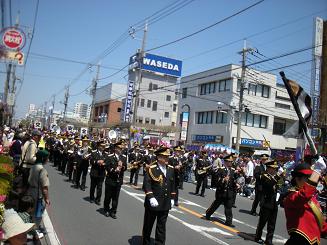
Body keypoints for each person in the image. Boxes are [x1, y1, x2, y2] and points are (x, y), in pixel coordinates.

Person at [283, 156, 327, 245]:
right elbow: (304, 195)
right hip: (298, 241)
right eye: (308, 178)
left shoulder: (313, 199)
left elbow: (322, 226)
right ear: (297, 179)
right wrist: (317, 170)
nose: (313, 181)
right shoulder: (291, 196)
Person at [142, 147, 176, 245]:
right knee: (148, 225)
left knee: (161, 227)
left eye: (167, 157)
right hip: (153, 203)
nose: (166, 159)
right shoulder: (151, 169)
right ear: (158, 157)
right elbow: (147, 184)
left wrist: (173, 198)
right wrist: (151, 197)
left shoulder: (170, 169)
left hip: (165, 203)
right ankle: (146, 242)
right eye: (164, 157)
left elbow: (172, 185)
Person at [254, 159, 283, 245]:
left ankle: (269, 240)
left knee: (272, 223)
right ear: (269, 168)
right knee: (262, 222)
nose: (275, 170)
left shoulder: (276, 177)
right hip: (266, 202)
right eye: (273, 168)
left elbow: (280, 184)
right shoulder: (264, 176)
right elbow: (270, 184)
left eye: (275, 168)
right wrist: (278, 176)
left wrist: (280, 178)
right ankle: (257, 237)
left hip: (274, 202)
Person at [205, 154, 238, 227]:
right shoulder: (221, 170)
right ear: (225, 162)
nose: (230, 163)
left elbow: (233, 181)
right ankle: (208, 213)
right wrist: (223, 180)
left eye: (231, 162)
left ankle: (229, 222)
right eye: (229, 162)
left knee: (228, 207)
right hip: (221, 191)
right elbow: (216, 181)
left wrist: (236, 185)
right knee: (216, 204)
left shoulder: (232, 170)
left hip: (229, 192)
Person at [27, 149, 50, 231]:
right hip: (38, 193)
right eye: (47, 158)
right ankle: (35, 231)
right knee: (38, 213)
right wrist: (47, 199)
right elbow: (45, 188)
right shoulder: (42, 170)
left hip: (30, 191)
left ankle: (31, 228)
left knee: (30, 211)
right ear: (43, 159)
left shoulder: (33, 166)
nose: (48, 160)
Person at [103, 141, 127, 219]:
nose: (120, 150)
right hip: (110, 179)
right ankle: (106, 209)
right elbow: (107, 167)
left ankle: (113, 211)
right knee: (108, 196)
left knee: (115, 198)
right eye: (119, 148)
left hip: (118, 180)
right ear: (116, 148)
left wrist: (122, 166)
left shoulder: (123, 157)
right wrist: (114, 170)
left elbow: (125, 168)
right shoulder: (109, 156)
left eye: (121, 148)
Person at [89, 141, 106, 205]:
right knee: (93, 186)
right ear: (99, 146)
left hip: (101, 173)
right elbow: (91, 161)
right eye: (102, 146)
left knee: (100, 187)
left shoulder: (106, 154)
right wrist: (97, 162)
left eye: (104, 146)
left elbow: (107, 162)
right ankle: (91, 198)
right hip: (94, 172)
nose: (103, 147)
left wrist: (104, 163)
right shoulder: (93, 152)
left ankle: (98, 199)